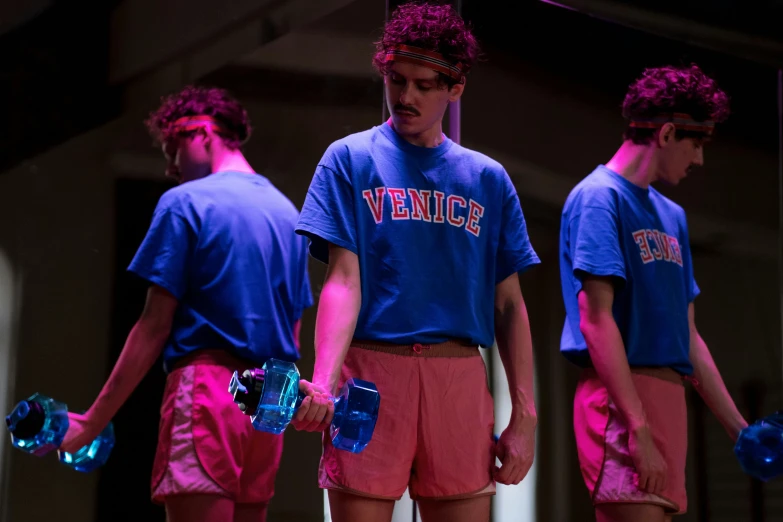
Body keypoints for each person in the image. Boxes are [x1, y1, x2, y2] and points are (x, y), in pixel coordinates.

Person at [290, 2, 539, 522]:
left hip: (459, 375)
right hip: (370, 372)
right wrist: (321, 378)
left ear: (456, 87)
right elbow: (342, 279)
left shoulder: (486, 179)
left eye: (424, 84)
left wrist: (526, 416)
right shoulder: (350, 159)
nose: (406, 97)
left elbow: (510, 304)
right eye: (397, 80)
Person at [59, 85, 313, 522]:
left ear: (202, 131)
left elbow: (153, 325)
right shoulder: (289, 214)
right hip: (267, 403)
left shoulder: (185, 203)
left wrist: (92, 422)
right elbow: (294, 330)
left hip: (206, 394)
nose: (171, 167)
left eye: (173, 149)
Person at [558, 64, 749, 522]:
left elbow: (688, 336)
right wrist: (637, 428)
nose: (699, 159)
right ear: (666, 134)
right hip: (620, 405)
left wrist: (738, 428)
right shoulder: (599, 198)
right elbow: (596, 320)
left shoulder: (673, 216)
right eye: (697, 144)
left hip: (668, 400)